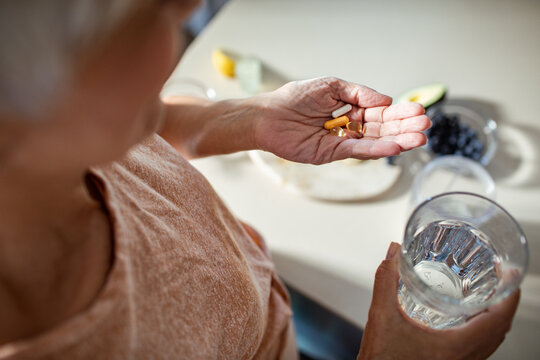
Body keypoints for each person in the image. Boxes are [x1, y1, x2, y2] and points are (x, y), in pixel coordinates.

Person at [0, 1, 519, 359]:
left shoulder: (73, 138)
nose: (188, 10)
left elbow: (152, 127)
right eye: (143, 11)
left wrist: (252, 118)